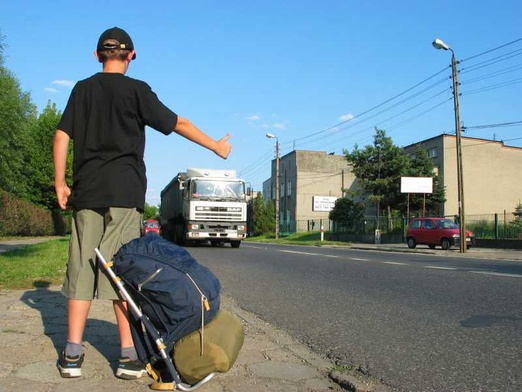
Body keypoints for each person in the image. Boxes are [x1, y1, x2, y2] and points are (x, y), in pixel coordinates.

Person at [53, 26, 231, 380]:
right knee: (122, 271)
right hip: (124, 193)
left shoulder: (82, 89)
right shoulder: (138, 91)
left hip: (87, 192)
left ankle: (72, 354)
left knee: (81, 269)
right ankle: (128, 356)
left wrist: (60, 183)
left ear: (97, 55)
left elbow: (62, 135)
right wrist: (215, 146)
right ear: (131, 55)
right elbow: (177, 122)